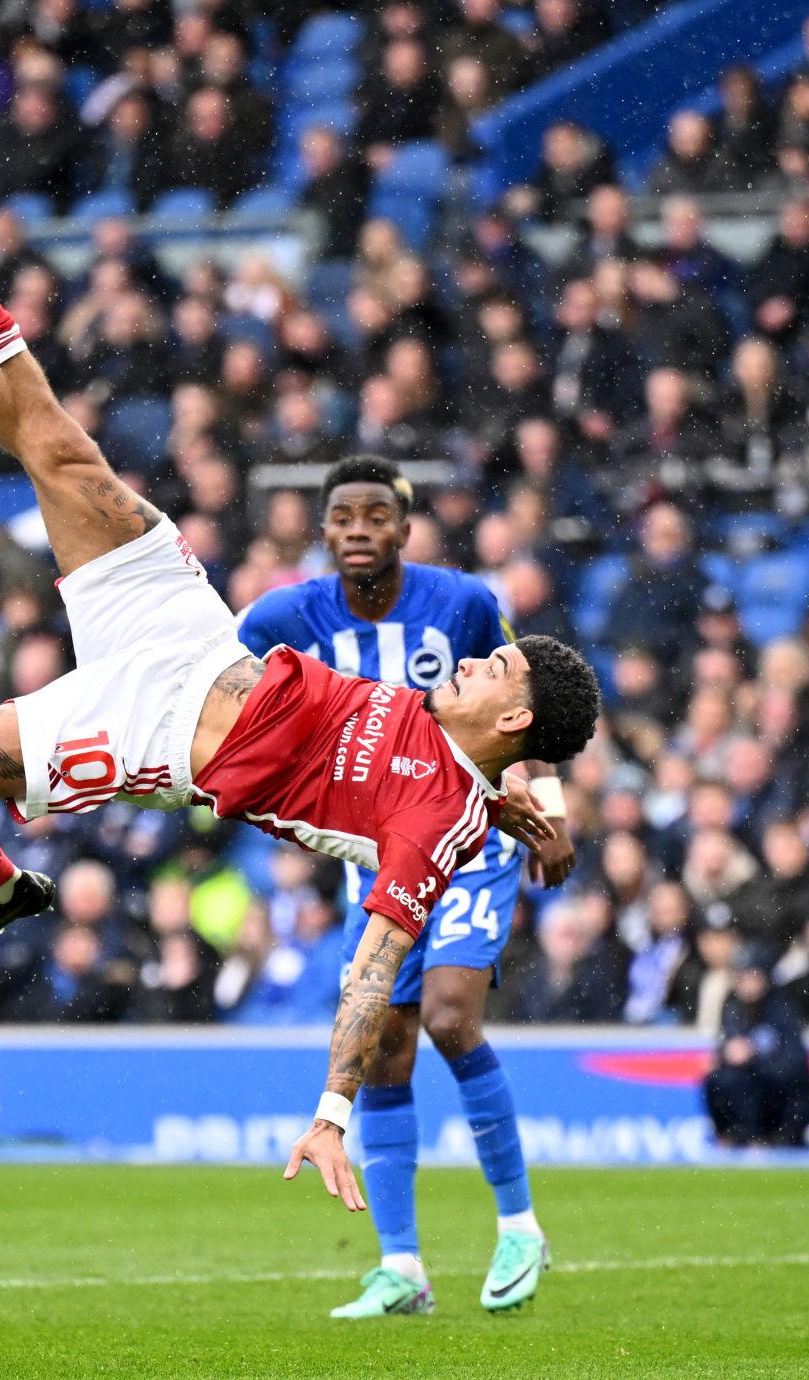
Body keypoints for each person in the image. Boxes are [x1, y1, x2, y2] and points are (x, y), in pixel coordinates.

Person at [0, 131, 596, 1217]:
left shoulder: (437, 820)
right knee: (60, 449)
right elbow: (496, 771)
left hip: (153, 736)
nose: (469, 660)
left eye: (489, 668)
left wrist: (331, 1107)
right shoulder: (469, 762)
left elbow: (374, 964)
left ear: (513, 710)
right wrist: (520, 790)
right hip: (192, 637)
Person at [237, 454, 574, 1318]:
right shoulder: (283, 614)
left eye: (376, 516)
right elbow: (226, 684)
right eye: (343, 517)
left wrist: (553, 804)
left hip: (472, 830)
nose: (359, 530)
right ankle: (402, 1267)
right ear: (321, 530)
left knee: (454, 1020)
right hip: (377, 848)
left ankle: (521, 1224)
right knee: (386, 1043)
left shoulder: (459, 602)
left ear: (404, 528)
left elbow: (524, 693)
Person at [703, 946, 809, 1147]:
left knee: (749, 1082)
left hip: (784, 1101)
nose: (745, 984)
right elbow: (727, 1050)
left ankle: (763, 1138)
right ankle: (732, 1136)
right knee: (719, 1079)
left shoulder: (783, 1009)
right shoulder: (732, 1008)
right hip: (750, 1094)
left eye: (751, 977)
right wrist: (724, 1056)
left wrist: (753, 1056)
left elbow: (794, 1066)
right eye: (740, 977)